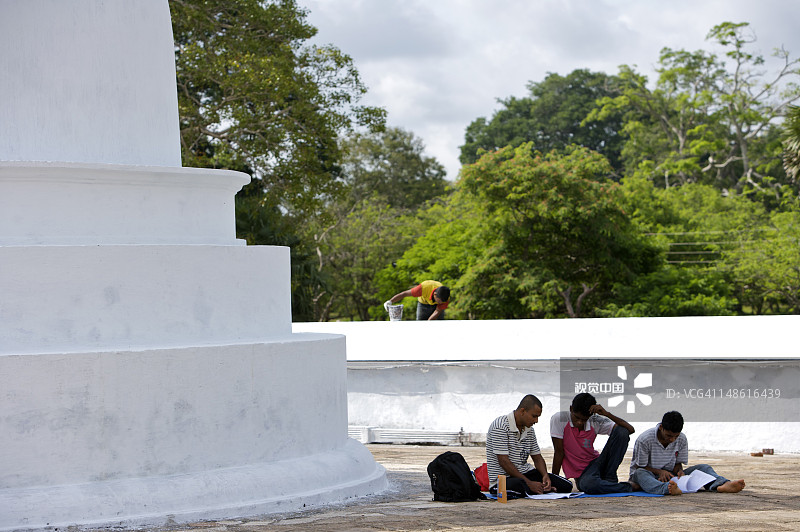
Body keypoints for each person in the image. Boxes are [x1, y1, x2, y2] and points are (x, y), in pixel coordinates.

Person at [629, 410, 746, 495]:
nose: (672, 440)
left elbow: (678, 463)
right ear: (661, 428)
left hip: (670, 476)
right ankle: (667, 489)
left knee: (704, 468)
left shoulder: (682, 439)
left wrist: (679, 471)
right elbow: (641, 466)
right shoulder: (645, 439)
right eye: (669, 436)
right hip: (648, 475)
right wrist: (660, 472)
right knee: (640, 473)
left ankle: (721, 484)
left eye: (676, 436)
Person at [486, 394, 573, 497]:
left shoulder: (529, 430)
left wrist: (545, 476)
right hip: (504, 478)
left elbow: (537, 457)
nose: (536, 421)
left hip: (525, 474)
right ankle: (537, 489)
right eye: (534, 416)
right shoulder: (500, 426)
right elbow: (504, 462)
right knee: (522, 487)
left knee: (566, 485)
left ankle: (541, 489)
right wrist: (529, 483)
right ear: (522, 411)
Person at [550, 392, 636, 494]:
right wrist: (554, 481)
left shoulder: (595, 421)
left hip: (597, 463)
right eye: (577, 418)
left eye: (584, 420)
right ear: (571, 409)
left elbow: (629, 430)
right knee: (589, 485)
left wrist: (606, 413)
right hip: (582, 474)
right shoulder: (559, 420)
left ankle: (609, 477)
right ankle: (629, 487)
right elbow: (559, 452)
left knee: (622, 432)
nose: (580, 422)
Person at [385, 280, 450, 321]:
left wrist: (429, 322)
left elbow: (437, 311)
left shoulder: (445, 298)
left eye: (442, 302)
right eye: (439, 301)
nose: (441, 303)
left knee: (439, 324)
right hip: (423, 304)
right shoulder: (423, 288)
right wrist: (390, 301)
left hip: (436, 307)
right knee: (419, 324)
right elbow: (404, 294)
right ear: (435, 294)